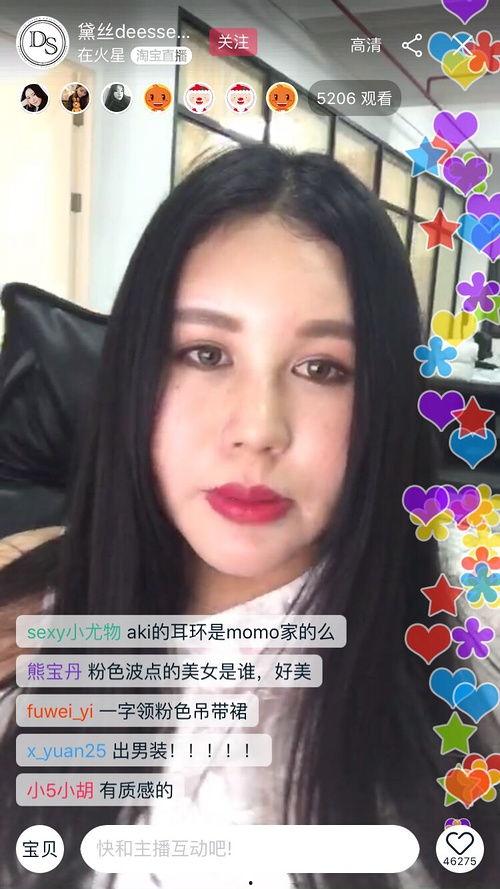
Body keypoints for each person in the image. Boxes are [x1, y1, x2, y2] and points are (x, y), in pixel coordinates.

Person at [0, 145, 498, 889]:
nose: (259, 428)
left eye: (322, 368)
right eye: (205, 353)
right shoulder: (30, 611)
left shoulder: (460, 703)